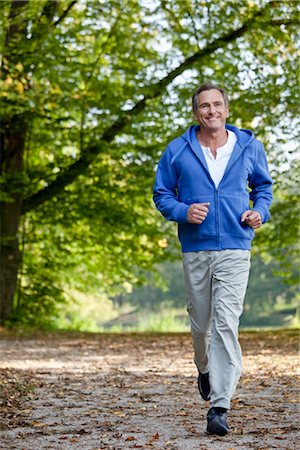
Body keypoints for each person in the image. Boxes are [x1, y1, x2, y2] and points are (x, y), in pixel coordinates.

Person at [153, 83, 272, 436]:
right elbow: (161, 194)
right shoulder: (177, 150)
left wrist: (258, 212)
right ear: (196, 113)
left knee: (225, 322)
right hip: (196, 248)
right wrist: (183, 210)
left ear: (227, 109)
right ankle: (204, 369)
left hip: (236, 246)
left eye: (217, 104)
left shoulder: (249, 146)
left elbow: (262, 188)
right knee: (202, 324)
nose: (211, 111)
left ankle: (220, 405)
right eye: (204, 106)